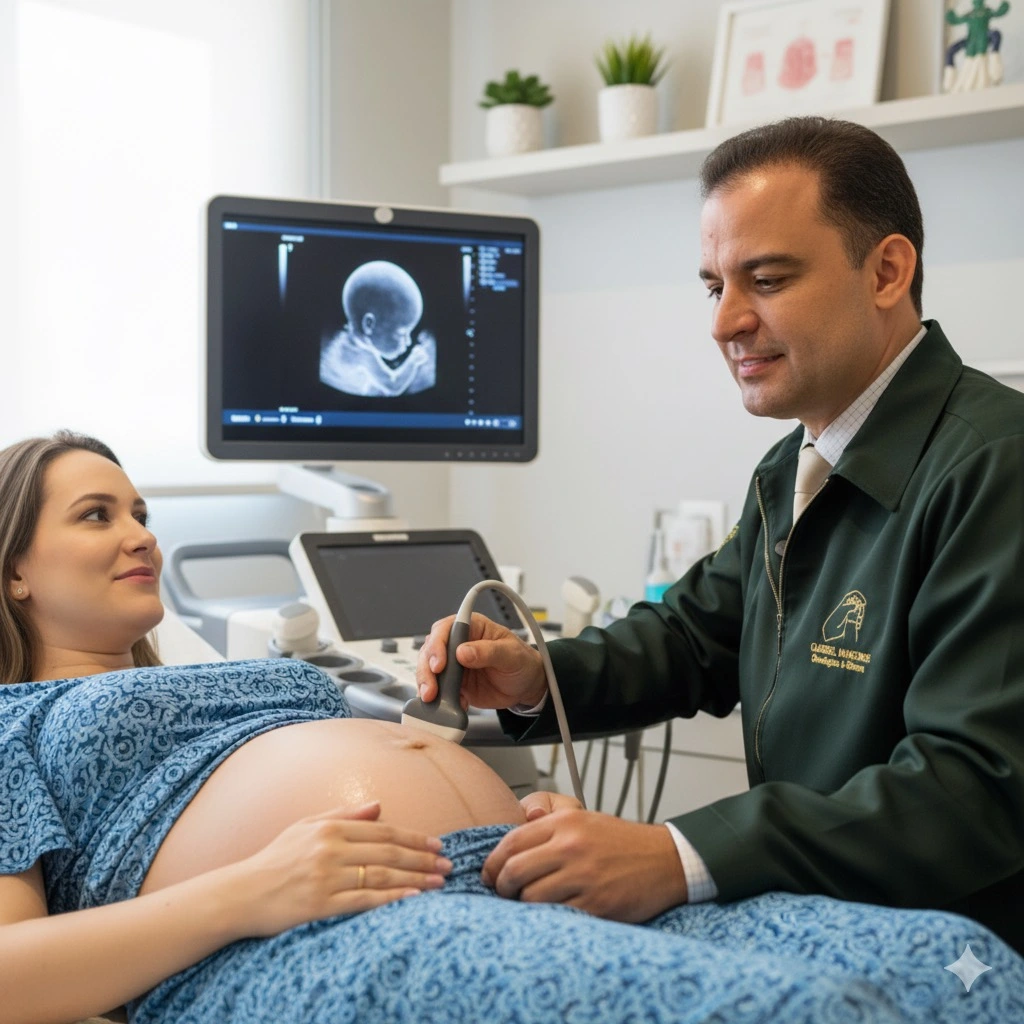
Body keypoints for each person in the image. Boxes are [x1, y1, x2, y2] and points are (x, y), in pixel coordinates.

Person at [9, 432, 1011, 1024]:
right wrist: (254, 890)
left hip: (529, 876)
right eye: (96, 515)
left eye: (140, 508)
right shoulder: (15, 724)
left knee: (959, 969)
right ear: (12, 567)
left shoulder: (250, 666)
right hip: (329, 926)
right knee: (795, 1014)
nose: (140, 532)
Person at [417, 115, 1024, 955]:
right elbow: (692, 639)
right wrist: (534, 678)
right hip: (808, 922)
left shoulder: (996, 467)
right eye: (715, 287)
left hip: (951, 956)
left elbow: (973, 789)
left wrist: (679, 853)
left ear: (887, 270)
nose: (724, 322)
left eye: (767, 280)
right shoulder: (793, 467)